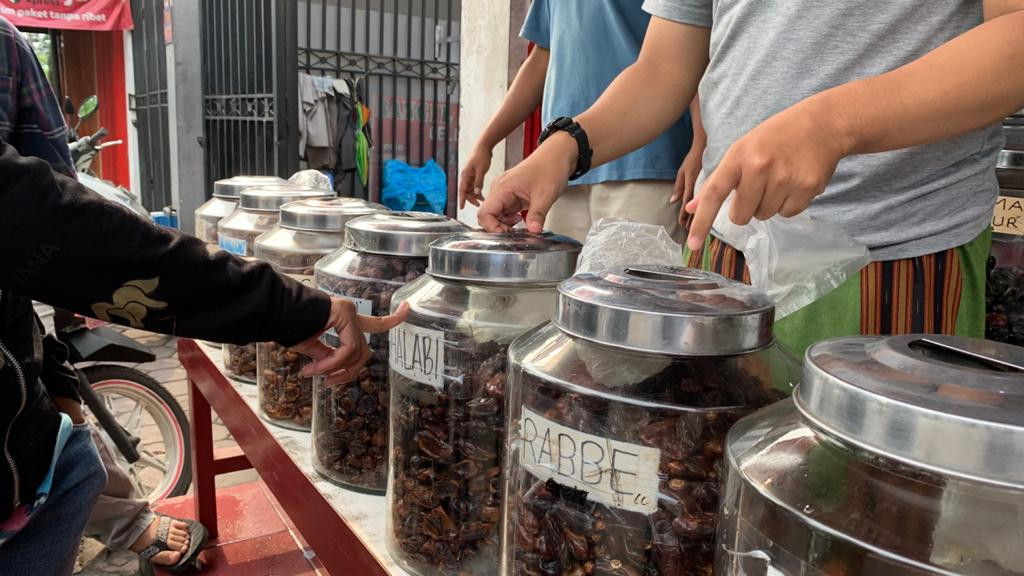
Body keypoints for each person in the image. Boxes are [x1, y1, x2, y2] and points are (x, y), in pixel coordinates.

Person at [0, 30, 406, 576]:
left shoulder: (8, 44)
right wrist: (295, 309)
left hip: (22, 449)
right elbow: (56, 230)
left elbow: (47, 226)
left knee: (71, 465)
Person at [478, 0, 1024, 354]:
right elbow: (664, 68)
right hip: (721, 254)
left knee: (866, 512)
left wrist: (834, 123)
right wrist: (566, 146)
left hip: (892, 254)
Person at [460, 0, 696, 243]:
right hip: (560, 173)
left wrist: (701, 142)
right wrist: (486, 142)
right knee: (553, 278)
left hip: (644, 162)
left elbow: (686, 48)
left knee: (632, 278)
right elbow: (542, 57)